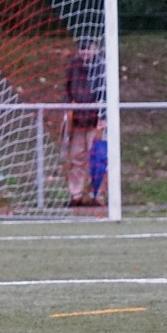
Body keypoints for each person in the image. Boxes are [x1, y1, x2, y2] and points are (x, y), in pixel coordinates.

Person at [63, 36, 106, 207]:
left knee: (98, 159)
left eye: (88, 48)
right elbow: (67, 89)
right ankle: (76, 194)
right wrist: (68, 108)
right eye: (82, 49)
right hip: (78, 121)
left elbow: (107, 92)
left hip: (96, 120)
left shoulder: (102, 66)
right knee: (76, 158)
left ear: (94, 48)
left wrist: (104, 117)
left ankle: (97, 194)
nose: (85, 52)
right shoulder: (73, 66)